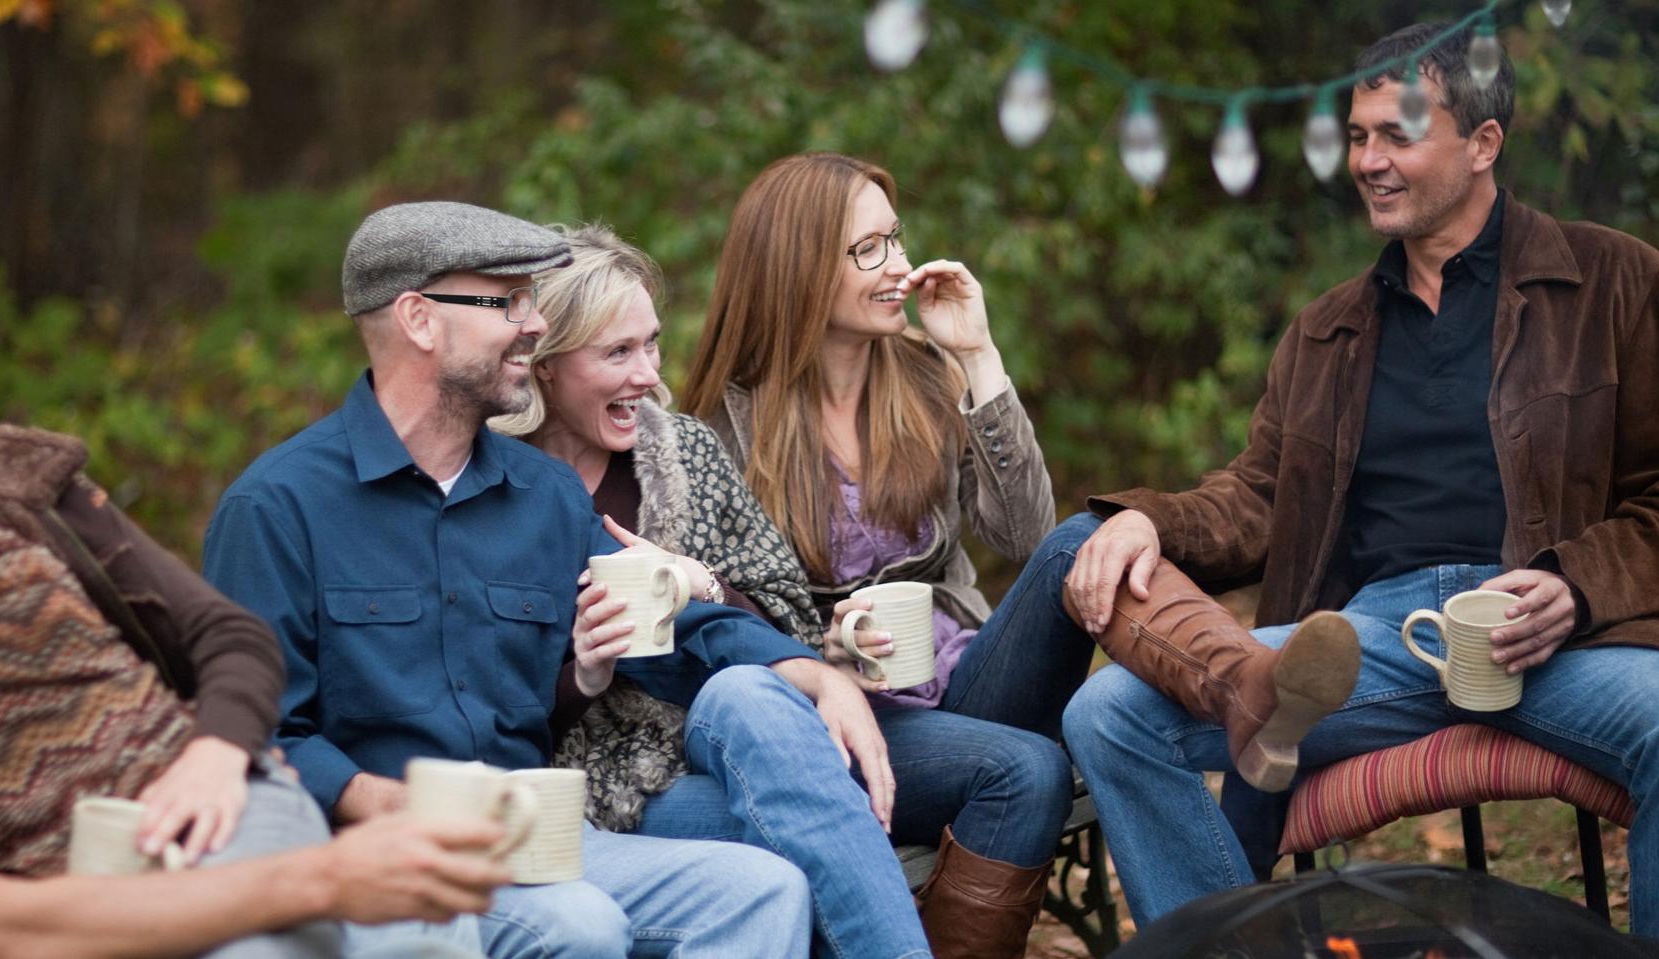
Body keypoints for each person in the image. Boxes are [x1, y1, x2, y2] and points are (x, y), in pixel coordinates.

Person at [1053, 22, 1659, 933]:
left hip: (1552, 641)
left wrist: (1575, 588)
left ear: (1483, 144)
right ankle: (1232, 954)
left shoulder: (1613, 280)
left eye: (1396, 136)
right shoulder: (1327, 330)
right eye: (1357, 135)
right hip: (1371, 644)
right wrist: (1151, 522)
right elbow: (1257, 497)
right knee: (1109, 709)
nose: (1369, 160)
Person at [202, 201, 919, 958]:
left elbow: (676, 623)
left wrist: (815, 674)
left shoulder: (542, 495)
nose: (535, 324)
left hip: (536, 843)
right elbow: (259, 732)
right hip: (366, 855)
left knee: (761, 889)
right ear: (418, 319)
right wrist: (393, 801)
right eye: (507, 302)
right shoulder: (277, 507)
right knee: (581, 922)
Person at [0, 342, 506, 959]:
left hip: (227, 812)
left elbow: (230, 639)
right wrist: (329, 873)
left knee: (452, 927)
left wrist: (218, 755)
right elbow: (1, 927)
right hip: (109, 884)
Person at [490, 223, 935, 956]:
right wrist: (586, 672)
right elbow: (484, 697)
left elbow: (785, 613)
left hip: (730, 736)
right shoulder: (501, 486)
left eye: (653, 343)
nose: (649, 375)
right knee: (803, 838)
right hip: (588, 781)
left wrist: (704, 583)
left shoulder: (684, 451)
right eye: (618, 352)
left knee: (750, 700)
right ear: (546, 365)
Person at [683, 151, 1083, 955]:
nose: (899, 266)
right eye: (870, 249)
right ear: (800, 267)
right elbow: (720, 629)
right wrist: (823, 651)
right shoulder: (725, 430)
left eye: (896, 239)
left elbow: (1026, 537)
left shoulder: (926, 376)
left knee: (1081, 541)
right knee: (1031, 769)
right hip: (845, 719)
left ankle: (1242, 691)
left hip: (965, 680)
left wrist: (977, 356)